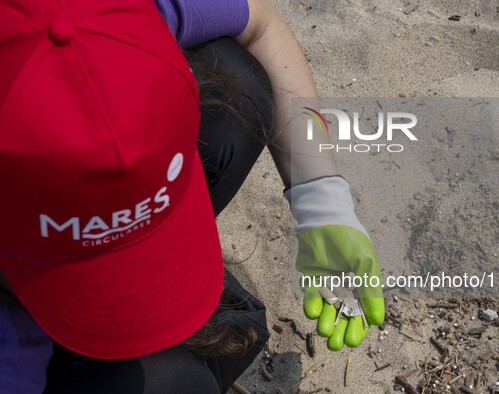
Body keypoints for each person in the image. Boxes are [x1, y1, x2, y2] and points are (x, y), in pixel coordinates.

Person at [0, 0, 385, 393]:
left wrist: (322, 201)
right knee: (182, 379)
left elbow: (260, 24)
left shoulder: (102, 15)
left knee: (235, 80)